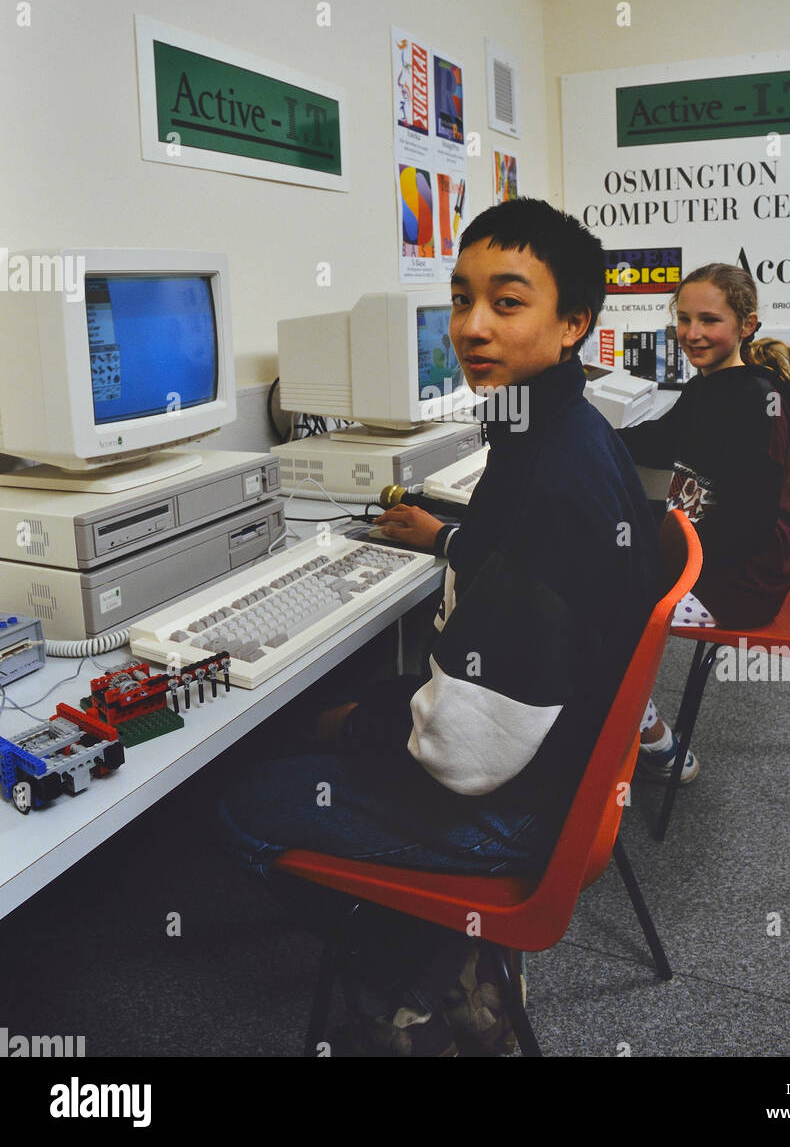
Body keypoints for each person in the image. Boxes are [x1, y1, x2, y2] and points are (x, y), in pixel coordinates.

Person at [218, 198, 666, 1056]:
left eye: (506, 302)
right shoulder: (557, 431)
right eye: (461, 300)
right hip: (569, 762)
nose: (469, 326)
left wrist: (367, 724)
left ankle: (422, 985)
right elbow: (522, 573)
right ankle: (437, 950)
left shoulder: (547, 475)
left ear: (573, 324)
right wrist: (451, 542)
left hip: (520, 806)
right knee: (340, 714)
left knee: (245, 801)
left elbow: (467, 758)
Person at [619, 263, 790, 633]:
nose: (692, 334)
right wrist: (596, 436)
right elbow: (662, 443)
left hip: (742, 587)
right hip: (705, 560)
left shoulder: (758, 401)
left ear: (747, 325)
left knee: (597, 593)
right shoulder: (706, 385)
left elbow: (747, 524)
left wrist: (661, 563)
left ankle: (622, 692)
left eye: (709, 321)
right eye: (684, 319)